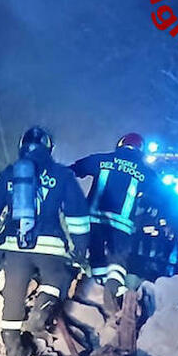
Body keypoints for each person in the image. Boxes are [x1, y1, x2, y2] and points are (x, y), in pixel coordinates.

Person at [0, 126, 91, 356]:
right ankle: (39, 317)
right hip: (50, 246)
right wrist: (80, 247)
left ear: (21, 146)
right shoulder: (62, 175)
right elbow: (77, 214)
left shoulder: (9, 173)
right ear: (49, 148)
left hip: (14, 246)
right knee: (58, 277)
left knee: (13, 294)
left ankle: (14, 351)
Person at [70, 132, 161, 312]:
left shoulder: (102, 160)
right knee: (118, 263)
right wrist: (151, 210)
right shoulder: (145, 172)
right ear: (141, 151)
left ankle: (95, 288)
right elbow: (162, 197)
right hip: (122, 227)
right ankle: (111, 296)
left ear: (120, 145)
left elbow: (72, 170)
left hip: (94, 220)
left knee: (96, 257)